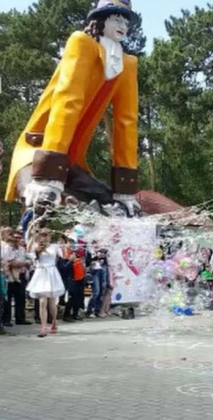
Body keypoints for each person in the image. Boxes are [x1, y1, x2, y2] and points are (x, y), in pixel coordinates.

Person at [5, 0, 140, 217]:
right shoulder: (81, 43)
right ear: (100, 20)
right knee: (44, 198)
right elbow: (68, 100)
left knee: (117, 209)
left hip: (70, 163)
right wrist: (49, 175)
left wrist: (125, 191)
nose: (122, 24)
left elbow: (127, 123)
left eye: (126, 20)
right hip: (39, 152)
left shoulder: (127, 65)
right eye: (116, 18)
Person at [26, 229, 66, 337]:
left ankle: (54, 322)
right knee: (42, 301)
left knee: (52, 302)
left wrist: (63, 245)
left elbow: (63, 256)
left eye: (46, 235)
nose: (45, 237)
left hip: (52, 273)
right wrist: (32, 235)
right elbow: (28, 250)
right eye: (42, 235)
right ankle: (43, 327)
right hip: (41, 273)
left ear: (50, 236)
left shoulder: (54, 247)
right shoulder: (36, 246)